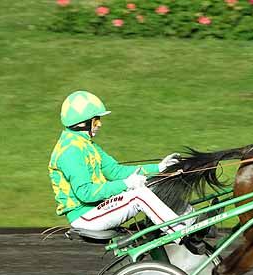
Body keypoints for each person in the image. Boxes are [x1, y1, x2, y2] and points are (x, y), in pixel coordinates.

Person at [48, 90, 195, 242]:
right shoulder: (70, 152)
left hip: (98, 209)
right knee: (139, 196)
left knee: (152, 186)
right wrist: (126, 184)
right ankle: (181, 233)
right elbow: (86, 193)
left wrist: (159, 168)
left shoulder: (86, 145)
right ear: (82, 122)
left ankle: (191, 218)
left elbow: (116, 171)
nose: (100, 124)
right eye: (96, 120)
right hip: (85, 217)